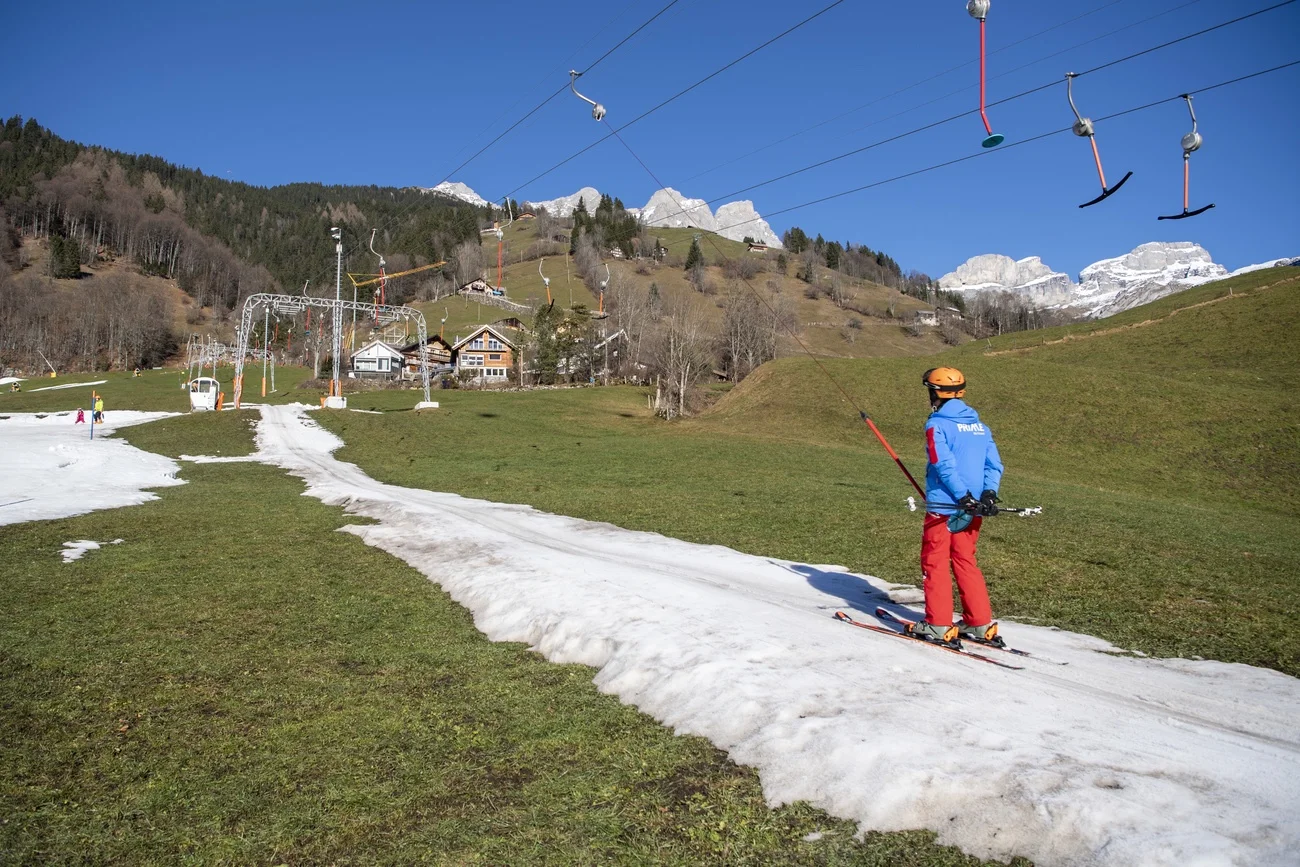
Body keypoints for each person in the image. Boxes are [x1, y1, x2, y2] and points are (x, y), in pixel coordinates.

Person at [905, 367, 1004, 648]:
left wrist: (962, 496)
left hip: (945, 507)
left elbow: (942, 463)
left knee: (934, 561)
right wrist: (988, 494)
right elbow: (993, 465)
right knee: (965, 559)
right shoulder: (980, 426)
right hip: (972, 509)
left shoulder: (936, 425)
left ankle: (937, 624)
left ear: (933, 392)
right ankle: (979, 622)